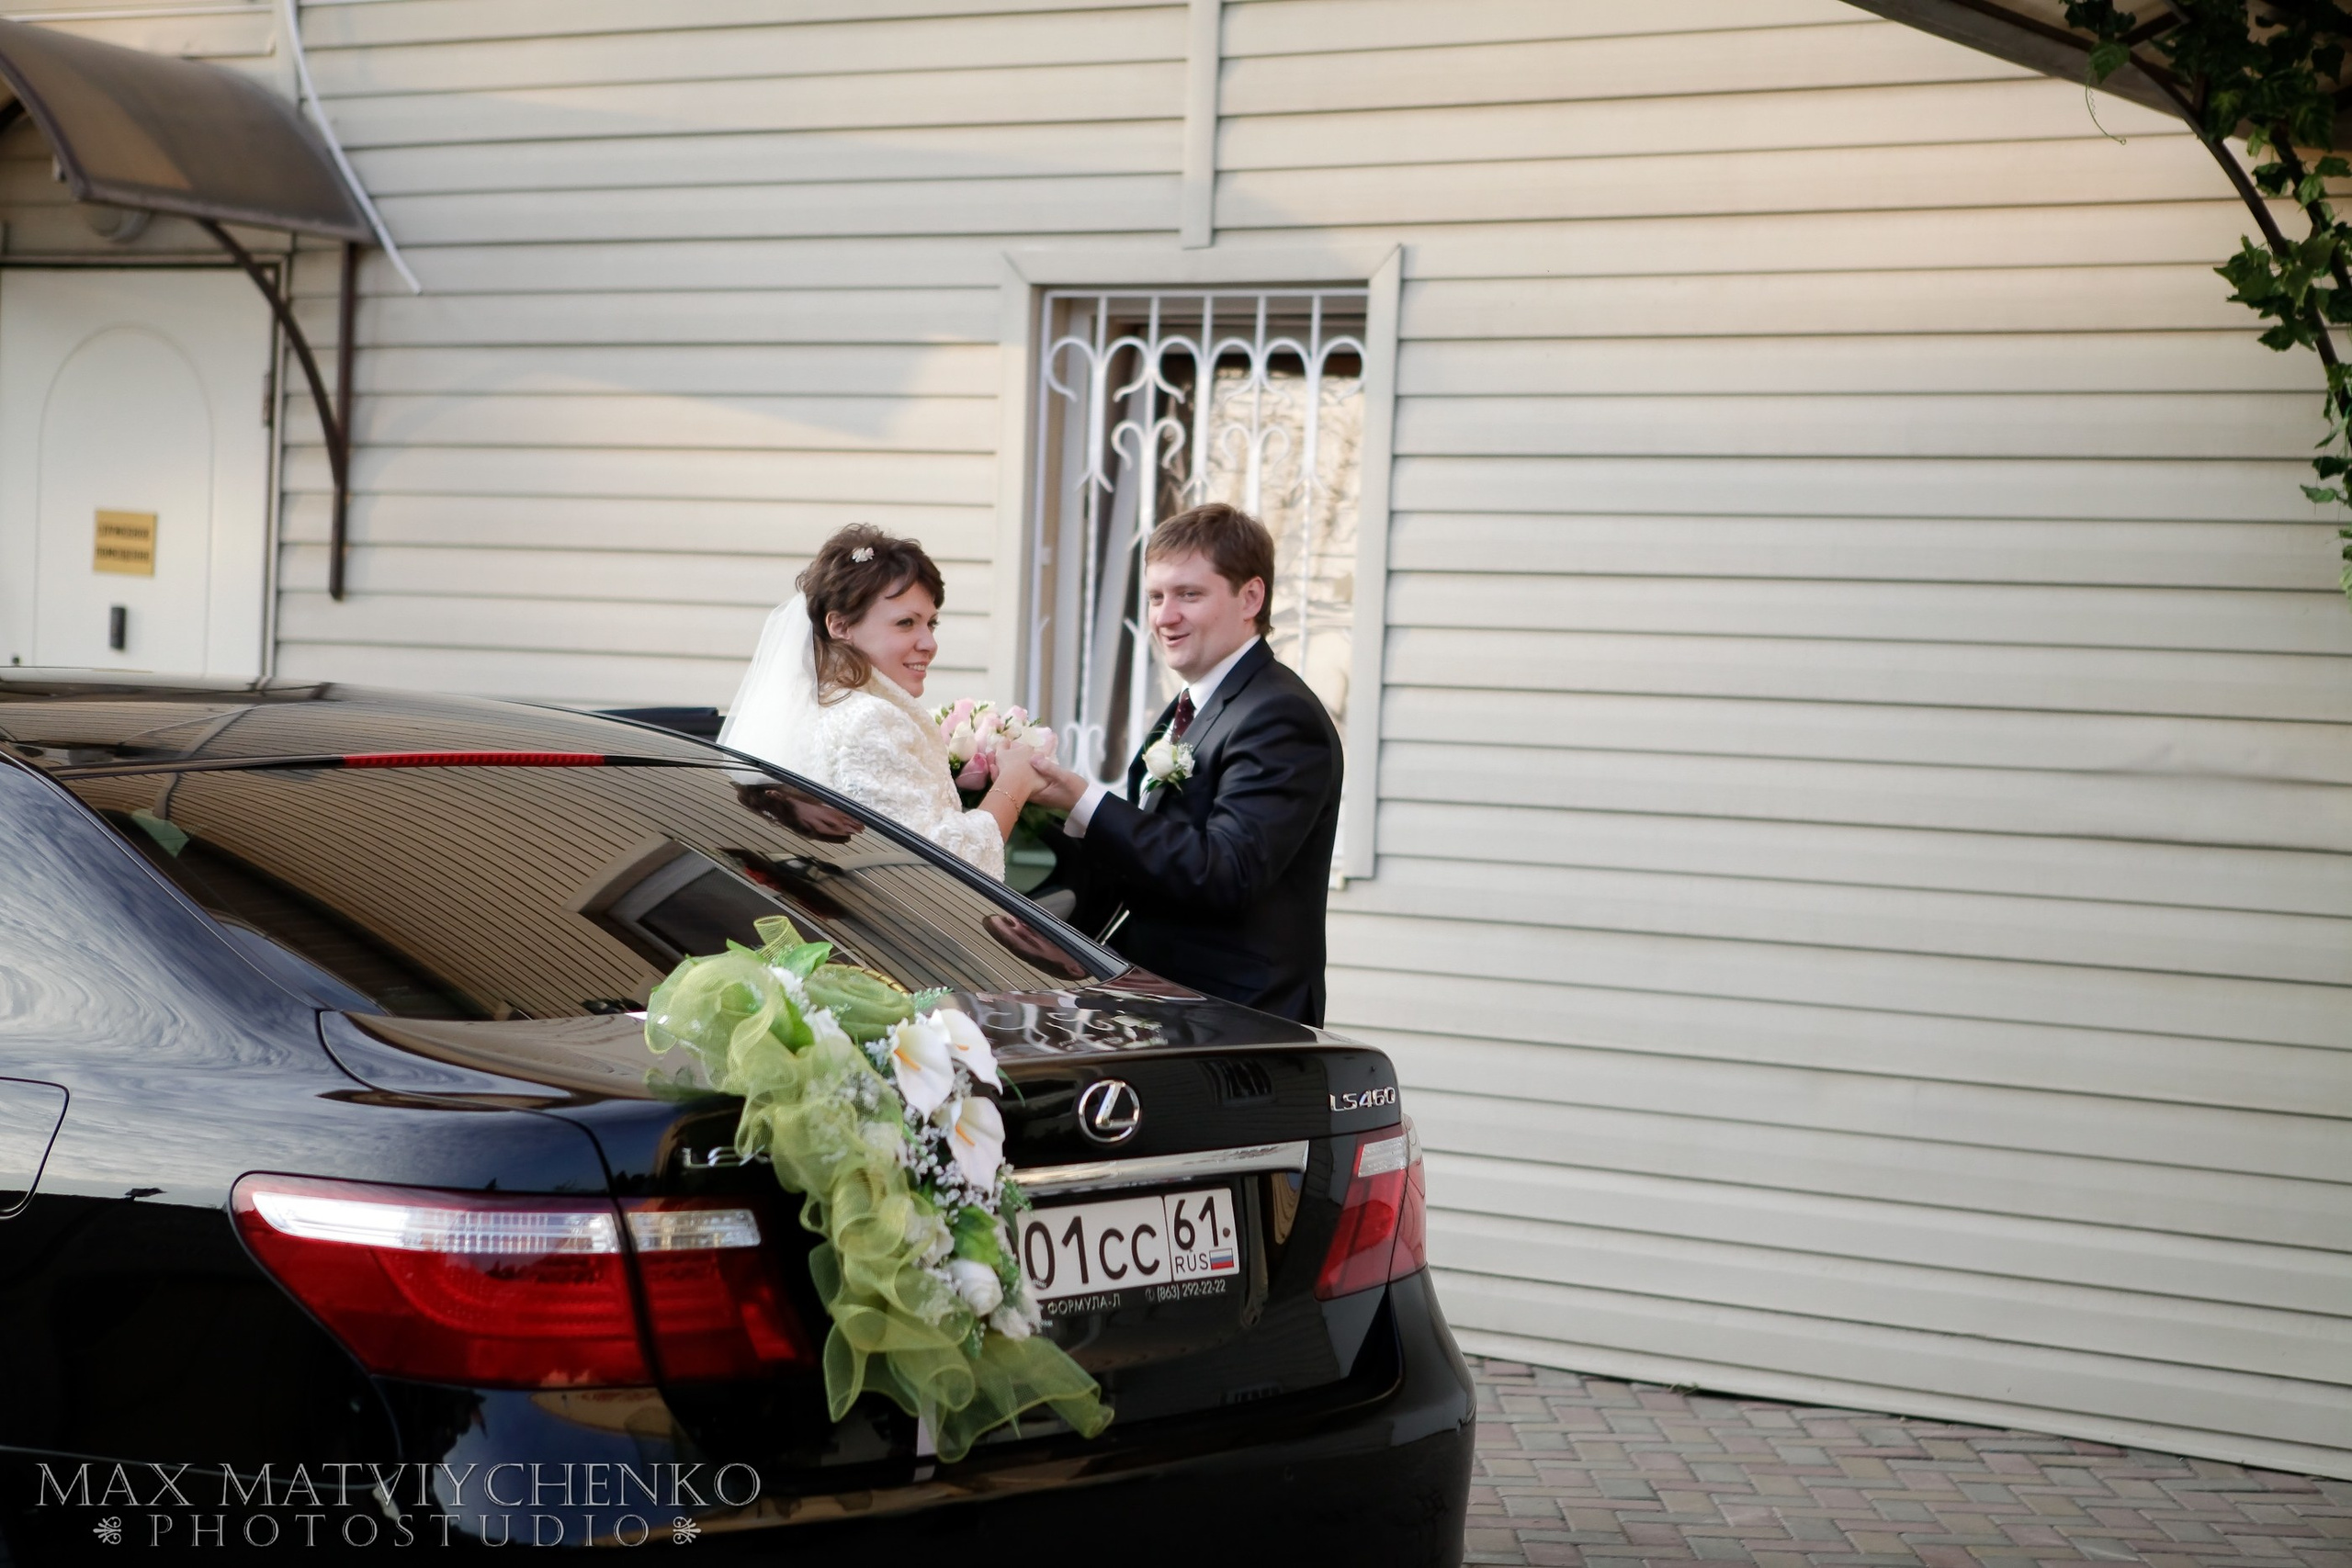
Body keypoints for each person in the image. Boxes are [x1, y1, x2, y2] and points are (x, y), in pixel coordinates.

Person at [1028, 503, 1342, 1025]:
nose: (1164, 617)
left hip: (1241, 1022)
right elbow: (1151, 863)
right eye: (1155, 597)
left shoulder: (1279, 716)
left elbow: (1225, 871)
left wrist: (1084, 800)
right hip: (1169, 1004)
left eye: (1188, 595)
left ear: (1251, 597)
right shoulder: (1190, 708)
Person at [720, 525, 1039, 879]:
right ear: (840, 626)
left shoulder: (820, 709)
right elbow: (948, 867)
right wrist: (1016, 779)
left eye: (931, 624)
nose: (929, 643)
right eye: (906, 623)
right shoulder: (870, 719)